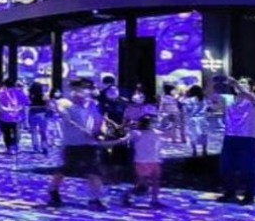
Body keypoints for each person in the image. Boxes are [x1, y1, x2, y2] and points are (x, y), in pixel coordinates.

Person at [48, 80, 118, 211]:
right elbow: (58, 109)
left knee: (93, 172)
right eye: (82, 88)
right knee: (66, 169)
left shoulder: (93, 104)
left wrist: (100, 131)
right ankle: (53, 190)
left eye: (87, 88)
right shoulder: (65, 103)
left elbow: (98, 120)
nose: (85, 91)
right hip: (72, 144)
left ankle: (95, 199)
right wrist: (58, 109)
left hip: (89, 144)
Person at [215, 78, 255, 205]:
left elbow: (247, 95)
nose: (240, 85)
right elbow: (211, 95)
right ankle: (229, 193)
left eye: (244, 83)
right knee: (226, 167)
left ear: (250, 87)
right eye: (239, 82)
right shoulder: (229, 99)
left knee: (247, 168)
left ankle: (249, 195)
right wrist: (213, 82)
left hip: (247, 137)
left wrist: (237, 85)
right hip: (230, 136)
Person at [120, 115, 165, 209]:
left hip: (155, 160)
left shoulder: (156, 133)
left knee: (156, 181)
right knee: (142, 185)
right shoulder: (136, 133)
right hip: (141, 161)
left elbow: (166, 133)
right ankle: (127, 195)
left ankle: (154, 200)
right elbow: (125, 140)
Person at [0, 79, 28, 155]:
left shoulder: (0, 93)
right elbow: (25, 103)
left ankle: (8, 148)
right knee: (16, 132)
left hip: (4, 116)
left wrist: (6, 110)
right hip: (16, 116)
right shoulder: (19, 92)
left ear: (4, 85)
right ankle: (15, 147)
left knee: (6, 133)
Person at [182, 84, 213, 157]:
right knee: (204, 135)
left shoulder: (188, 100)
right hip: (203, 119)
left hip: (192, 120)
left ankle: (194, 152)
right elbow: (210, 109)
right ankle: (204, 151)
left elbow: (186, 110)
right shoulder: (205, 99)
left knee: (193, 135)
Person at [27, 82, 52, 155]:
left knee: (34, 131)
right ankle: (44, 146)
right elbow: (48, 105)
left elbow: (28, 104)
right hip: (42, 114)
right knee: (43, 132)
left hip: (32, 114)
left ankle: (35, 147)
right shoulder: (44, 95)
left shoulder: (30, 96)